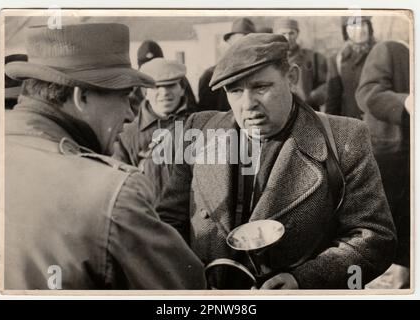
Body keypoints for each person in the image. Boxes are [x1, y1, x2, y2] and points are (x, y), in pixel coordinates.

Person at [156, 33, 396, 289]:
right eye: (235, 90)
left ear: (291, 77)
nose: (248, 104)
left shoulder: (344, 138)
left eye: (261, 87)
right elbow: (167, 226)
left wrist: (303, 281)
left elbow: (374, 240)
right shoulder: (199, 132)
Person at [4, 23, 206, 290]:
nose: (130, 114)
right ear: (82, 96)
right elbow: (188, 297)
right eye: (123, 97)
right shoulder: (111, 194)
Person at [356, 40, 410, 288]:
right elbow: (367, 93)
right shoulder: (390, 48)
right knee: (385, 218)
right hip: (391, 152)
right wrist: (405, 102)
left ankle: (402, 280)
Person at [113, 58, 191, 203]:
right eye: (156, 87)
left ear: (182, 89)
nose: (164, 93)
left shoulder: (197, 126)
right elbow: (119, 184)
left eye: (171, 86)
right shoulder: (128, 134)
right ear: (145, 93)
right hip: (149, 216)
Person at [198, 17, 256, 112]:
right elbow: (205, 115)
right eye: (238, 43)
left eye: (248, 43)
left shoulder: (261, 72)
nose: (242, 48)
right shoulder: (211, 75)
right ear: (230, 43)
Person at [325, 16, 375, 119]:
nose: (359, 29)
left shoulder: (383, 54)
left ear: (369, 27)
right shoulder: (337, 59)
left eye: (363, 24)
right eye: (354, 25)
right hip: (351, 125)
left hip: (379, 126)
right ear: (345, 30)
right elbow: (333, 101)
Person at [275, 18, 328, 110]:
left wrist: (312, 98)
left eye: (291, 33)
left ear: (297, 34)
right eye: (283, 33)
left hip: (307, 110)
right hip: (279, 110)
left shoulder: (312, 57)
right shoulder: (271, 59)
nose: (287, 37)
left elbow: (326, 84)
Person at [134, 39, 197, 113]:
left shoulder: (177, 78)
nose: (164, 92)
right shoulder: (134, 84)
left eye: (170, 85)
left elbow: (190, 107)